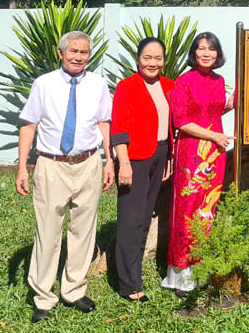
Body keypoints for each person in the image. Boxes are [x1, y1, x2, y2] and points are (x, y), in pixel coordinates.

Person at [14, 31, 114, 323]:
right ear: (60, 52)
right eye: (73, 51)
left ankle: (74, 290)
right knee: (48, 231)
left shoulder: (98, 84)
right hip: (51, 165)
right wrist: (22, 166)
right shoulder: (43, 84)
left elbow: (104, 123)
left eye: (84, 52)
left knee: (84, 229)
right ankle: (43, 296)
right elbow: (28, 125)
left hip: (89, 163)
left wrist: (109, 161)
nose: (78, 57)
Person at [162, 31, 234, 296]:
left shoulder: (219, 80)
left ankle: (200, 267)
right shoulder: (184, 81)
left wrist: (238, 96)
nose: (207, 53)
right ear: (194, 52)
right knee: (187, 211)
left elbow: (216, 109)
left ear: (218, 54)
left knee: (207, 208)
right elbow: (181, 121)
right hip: (191, 154)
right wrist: (214, 135)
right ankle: (180, 275)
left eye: (212, 49)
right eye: (202, 48)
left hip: (215, 154)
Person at [110, 37, 174, 302]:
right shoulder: (127, 86)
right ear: (138, 59)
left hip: (160, 155)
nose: (153, 63)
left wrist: (169, 156)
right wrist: (123, 163)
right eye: (147, 57)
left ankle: (134, 272)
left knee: (145, 217)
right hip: (134, 159)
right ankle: (128, 283)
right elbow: (119, 128)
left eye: (158, 58)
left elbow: (178, 121)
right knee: (130, 220)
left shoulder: (170, 85)